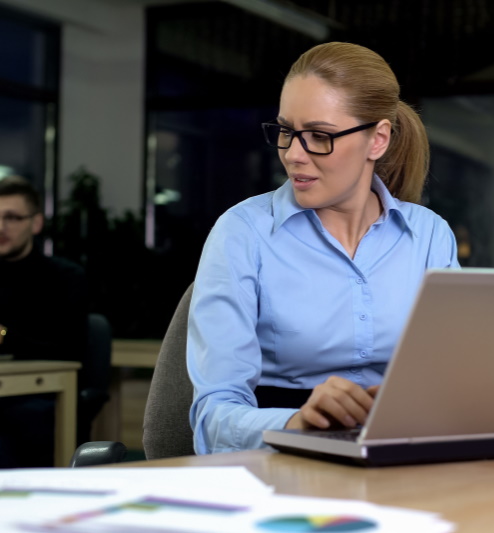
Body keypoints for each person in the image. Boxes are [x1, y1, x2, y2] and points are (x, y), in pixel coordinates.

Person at [188, 42, 459, 453]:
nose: (294, 154)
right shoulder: (242, 233)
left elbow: (455, 380)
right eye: (285, 131)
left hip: (404, 448)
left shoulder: (429, 236)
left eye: (319, 136)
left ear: (377, 140)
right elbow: (212, 416)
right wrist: (296, 423)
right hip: (282, 455)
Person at [0, 176, 88, 468]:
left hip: (39, 399)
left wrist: (0, 334)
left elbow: (70, 352)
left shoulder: (65, 277)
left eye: (11, 218)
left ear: (35, 224)